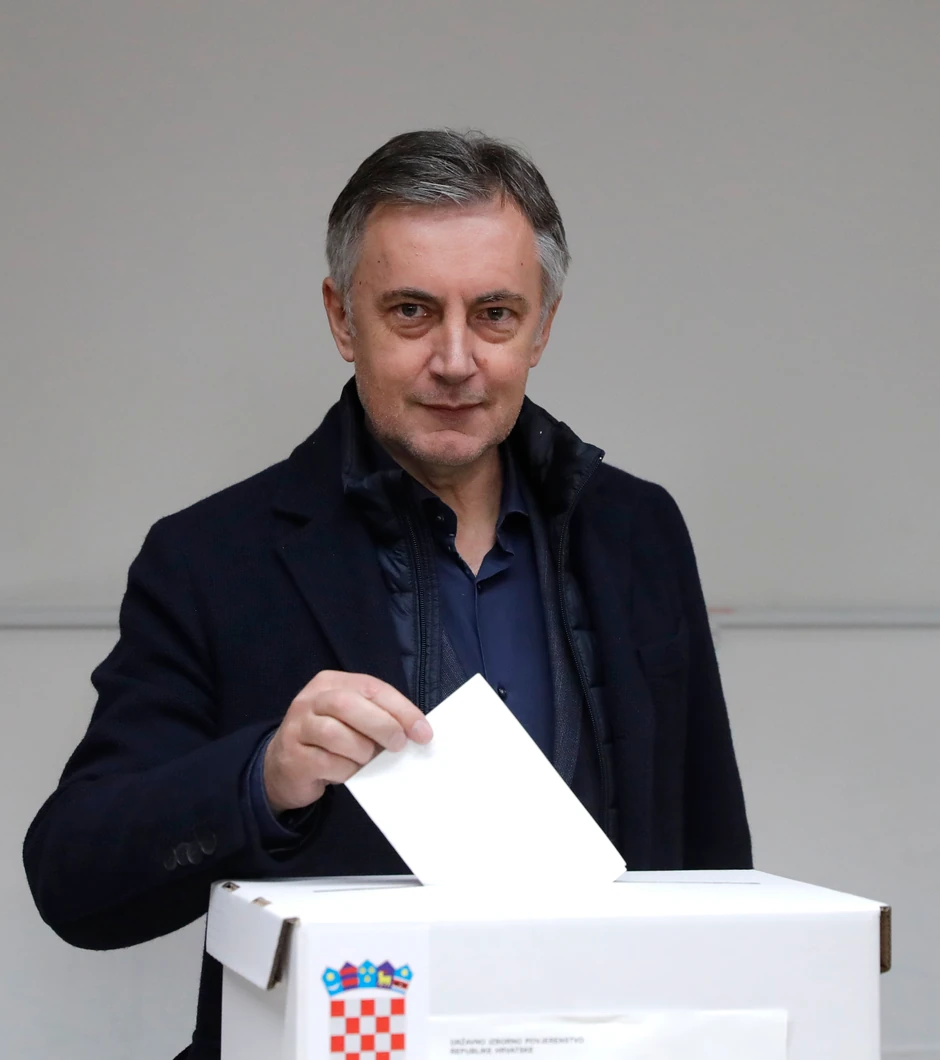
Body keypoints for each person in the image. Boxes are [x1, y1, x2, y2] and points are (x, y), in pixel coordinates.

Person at [23, 129, 751, 1059]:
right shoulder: (210, 557)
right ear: (341, 319)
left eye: (494, 314)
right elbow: (73, 881)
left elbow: (713, 855)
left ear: (543, 326)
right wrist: (262, 779)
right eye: (411, 311)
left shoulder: (638, 532)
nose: (456, 359)